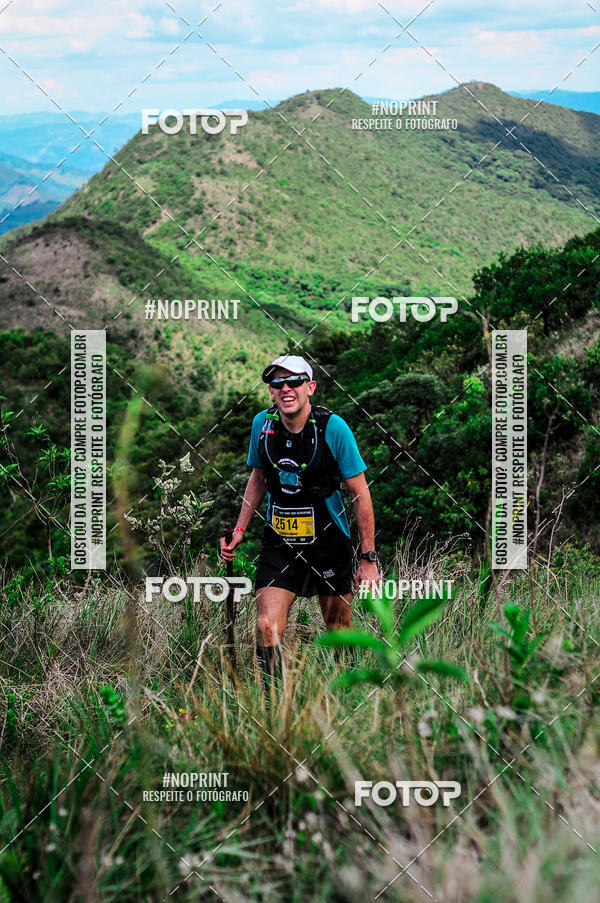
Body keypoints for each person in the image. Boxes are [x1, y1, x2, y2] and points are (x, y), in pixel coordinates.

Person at [220, 354, 379, 682]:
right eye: (277, 383)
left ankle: (348, 694)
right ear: (271, 392)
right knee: (266, 626)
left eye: (293, 382)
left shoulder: (333, 428)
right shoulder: (261, 426)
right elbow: (258, 479)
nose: (285, 388)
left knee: (338, 628)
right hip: (280, 541)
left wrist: (368, 557)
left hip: (329, 540)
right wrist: (239, 529)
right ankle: (276, 708)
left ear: (310, 387)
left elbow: (360, 494)